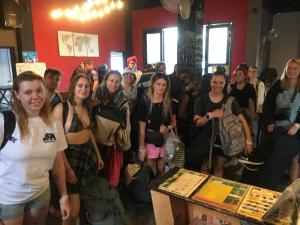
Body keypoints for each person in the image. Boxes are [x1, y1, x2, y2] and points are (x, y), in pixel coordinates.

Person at [0, 71, 70, 224]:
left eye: (39, 90)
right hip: (10, 197)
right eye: (27, 92)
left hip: (41, 194)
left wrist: (64, 197)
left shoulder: (53, 123)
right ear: (17, 94)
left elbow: (58, 163)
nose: (35, 96)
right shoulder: (4, 121)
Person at [53, 74, 104, 225]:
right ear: (73, 87)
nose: (83, 89)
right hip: (70, 159)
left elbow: (89, 132)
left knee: (80, 205)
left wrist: (98, 155)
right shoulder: (62, 108)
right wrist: (68, 169)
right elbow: (57, 144)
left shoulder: (86, 107)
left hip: (86, 158)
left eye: (87, 86)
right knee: (71, 211)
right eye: (80, 86)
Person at [246, 59, 300, 190]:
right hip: (277, 127)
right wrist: (269, 122)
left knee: (294, 158)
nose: (292, 71)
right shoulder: (279, 84)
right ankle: (266, 185)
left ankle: (293, 189)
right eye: (289, 68)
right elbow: (268, 105)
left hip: (295, 129)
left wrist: (297, 124)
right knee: (273, 156)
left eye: (295, 68)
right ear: (285, 69)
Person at [194, 71, 253, 177]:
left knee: (219, 167)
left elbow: (243, 121)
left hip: (224, 141)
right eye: (215, 82)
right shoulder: (202, 99)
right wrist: (211, 115)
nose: (217, 85)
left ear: (225, 83)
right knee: (204, 168)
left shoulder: (230, 100)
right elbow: (197, 123)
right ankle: (203, 191)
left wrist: (249, 142)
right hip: (205, 139)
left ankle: (216, 190)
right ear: (210, 82)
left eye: (221, 83)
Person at [93, 70, 131, 187]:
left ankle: (108, 194)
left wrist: (123, 132)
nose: (113, 84)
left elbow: (125, 122)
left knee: (109, 170)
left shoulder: (123, 100)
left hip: (111, 141)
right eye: (111, 81)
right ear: (106, 80)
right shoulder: (96, 95)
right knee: (95, 170)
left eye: (117, 82)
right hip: (94, 139)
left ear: (121, 83)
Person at [137, 73, 176, 176]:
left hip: (164, 139)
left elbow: (174, 122)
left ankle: (160, 191)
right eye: (158, 84)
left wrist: (168, 128)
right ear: (153, 84)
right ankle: (152, 191)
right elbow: (142, 128)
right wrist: (141, 148)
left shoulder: (169, 101)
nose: (161, 87)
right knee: (151, 170)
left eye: (164, 85)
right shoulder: (145, 101)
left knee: (161, 169)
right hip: (150, 140)